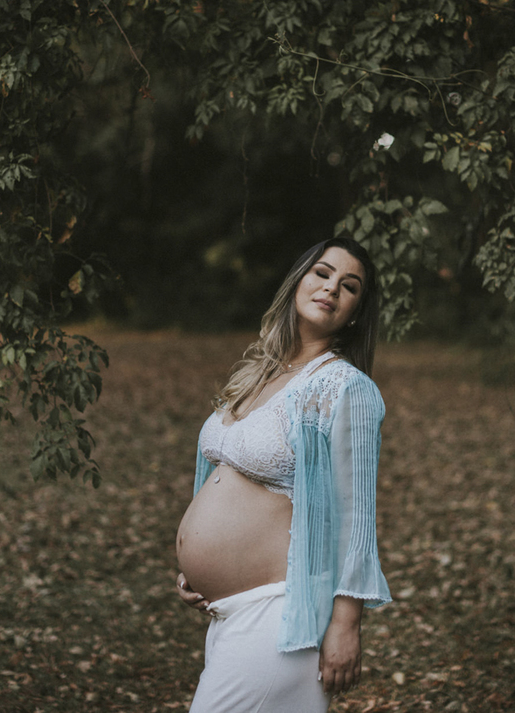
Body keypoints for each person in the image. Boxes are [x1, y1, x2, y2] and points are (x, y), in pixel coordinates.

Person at [175, 236, 392, 712]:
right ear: (298, 281)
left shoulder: (344, 387)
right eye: (322, 273)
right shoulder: (260, 371)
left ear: (356, 311)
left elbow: (356, 518)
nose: (331, 288)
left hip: (277, 617)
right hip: (227, 617)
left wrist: (345, 626)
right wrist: (198, 570)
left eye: (348, 286)